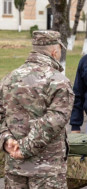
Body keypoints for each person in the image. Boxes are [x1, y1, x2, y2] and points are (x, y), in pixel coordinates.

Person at [0, 31, 74, 188]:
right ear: (55, 51)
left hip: (15, 170)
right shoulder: (58, 81)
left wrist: (7, 141)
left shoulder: (8, 79)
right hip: (46, 174)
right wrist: (24, 148)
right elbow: (53, 122)